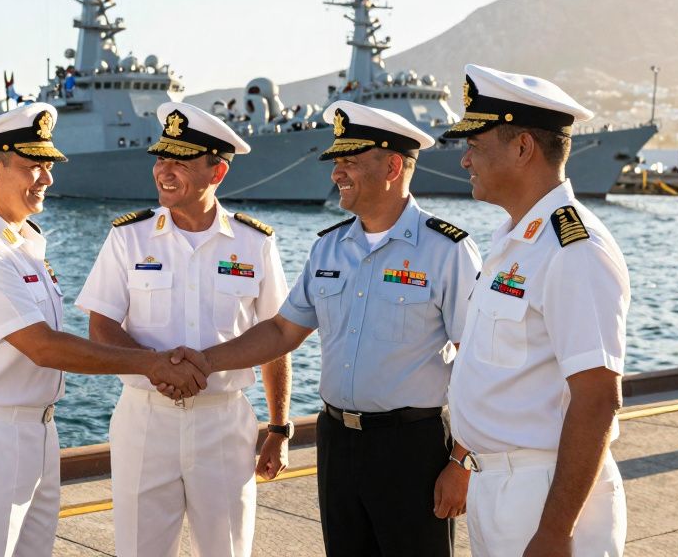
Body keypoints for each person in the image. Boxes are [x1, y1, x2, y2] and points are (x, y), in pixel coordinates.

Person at [188, 100, 482, 555]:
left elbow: (477, 364)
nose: (336, 173)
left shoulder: (448, 250)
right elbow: (283, 331)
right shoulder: (328, 248)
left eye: (349, 161)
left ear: (392, 165)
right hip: (337, 441)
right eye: (336, 162)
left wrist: (462, 461)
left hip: (412, 448)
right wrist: (205, 361)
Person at [0, 101, 210, 557]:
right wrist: (154, 363)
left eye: (48, 166)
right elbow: (42, 347)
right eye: (33, 166)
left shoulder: (23, 244)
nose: (47, 178)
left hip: (36, 433)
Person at [75, 102, 290, 557]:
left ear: (218, 173)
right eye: (160, 158)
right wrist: (157, 368)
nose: (164, 171)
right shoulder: (128, 237)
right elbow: (101, 324)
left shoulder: (256, 243)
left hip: (223, 420)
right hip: (144, 419)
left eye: (180, 161)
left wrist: (279, 427)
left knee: (227, 550)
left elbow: (276, 336)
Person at [443, 63, 630, 557]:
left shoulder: (574, 248)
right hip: (497, 486)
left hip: (543, 492)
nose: (465, 161)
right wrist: (464, 461)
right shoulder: (515, 239)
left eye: (475, 147)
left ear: (523, 147)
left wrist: (555, 530)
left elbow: (596, 400)